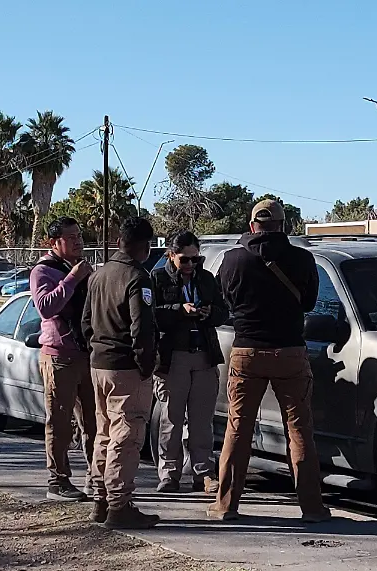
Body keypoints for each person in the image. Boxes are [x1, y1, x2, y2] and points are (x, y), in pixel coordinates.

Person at [209, 199, 330, 522]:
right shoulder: (303, 259)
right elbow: (308, 303)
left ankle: (226, 506)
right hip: (290, 351)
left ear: (252, 226)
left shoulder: (232, 260)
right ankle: (312, 508)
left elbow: (224, 302)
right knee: (300, 431)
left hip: (246, 351)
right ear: (283, 226)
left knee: (238, 429)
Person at [82, 216, 160, 529]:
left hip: (98, 363)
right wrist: (145, 364)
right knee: (126, 435)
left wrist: (96, 348)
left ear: (119, 242)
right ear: (146, 246)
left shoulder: (99, 275)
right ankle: (120, 503)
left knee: (103, 432)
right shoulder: (138, 278)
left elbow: (86, 321)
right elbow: (142, 328)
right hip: (126, 366)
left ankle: (100, 499)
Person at [151, 231, 229, 494]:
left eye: (197, 260)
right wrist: (179, 310)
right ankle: (169, 474)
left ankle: (203, 472)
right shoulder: (158, 278)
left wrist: (209, 313)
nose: (191, 266)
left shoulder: (206, 279)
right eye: (185, 260)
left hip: (204, 355)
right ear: (171, 256)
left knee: (202, 419)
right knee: (171, 419)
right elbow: (150, 316)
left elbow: (222, 311)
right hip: (173, 357)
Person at [29, 216, 95, 502]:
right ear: (54, 242)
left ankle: (97, 476)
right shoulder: (43, 271)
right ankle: (58, 481)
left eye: (79, 235)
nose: (78, 241)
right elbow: (46, 307)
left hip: (87, 354)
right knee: (59, 421)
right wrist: (73, 279)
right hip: (59, 357)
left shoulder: (83, 269)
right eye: (71, 237)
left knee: (93, 422)